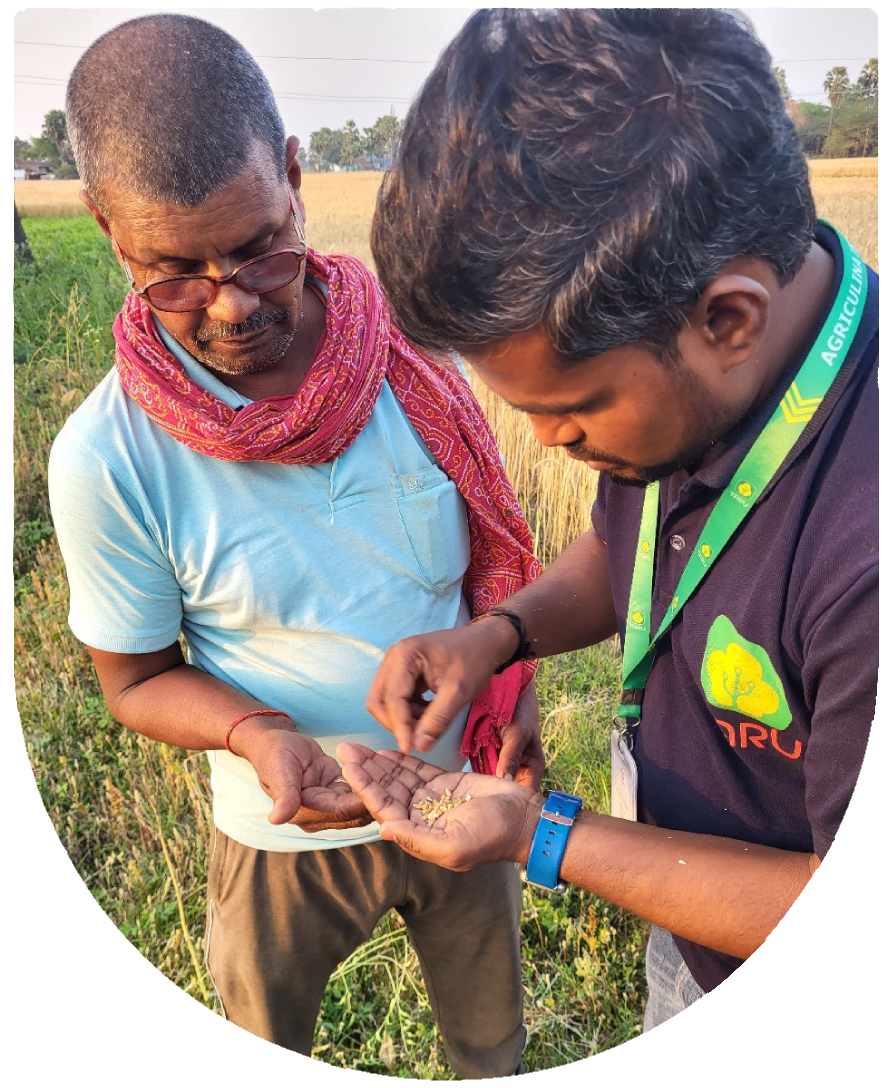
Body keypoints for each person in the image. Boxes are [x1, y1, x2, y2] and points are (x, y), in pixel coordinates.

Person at [336, 7, 878, 1031]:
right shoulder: (691, 393)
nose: (546, 441)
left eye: (571, 410)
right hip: (690, 924)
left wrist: (540, 833)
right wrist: (496, 636)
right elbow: (634, 547)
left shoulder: (862, 548)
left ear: (728, 318)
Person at [47, 13, 543, 1074]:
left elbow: (488, 570)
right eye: (174, 273)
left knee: (490, 1044)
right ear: (107, 229)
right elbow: (136, 680)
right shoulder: (108, 458)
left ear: (293, 175)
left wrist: (517, 699)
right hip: (283, 830)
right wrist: (261, 736)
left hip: (461, 793)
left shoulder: (412, 348)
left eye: (259, 250)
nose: (231, 305)